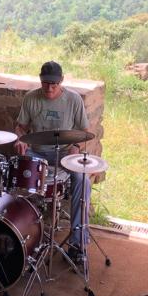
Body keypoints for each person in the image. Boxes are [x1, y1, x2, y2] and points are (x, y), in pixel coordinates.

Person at [14, 61, 91, 264]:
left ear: (61, 81)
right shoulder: (31, 98)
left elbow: (84, 132)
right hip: (36, 152)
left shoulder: (73, 100)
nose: (49, 88)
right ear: (40, 80)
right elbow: (21, 127)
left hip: (64, 154)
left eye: (54, 84)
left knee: (83, 181)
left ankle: (77, 244)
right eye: (45, 83)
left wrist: (76, 147)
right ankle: (22, 236)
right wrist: (20, 139)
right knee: (17, 174)